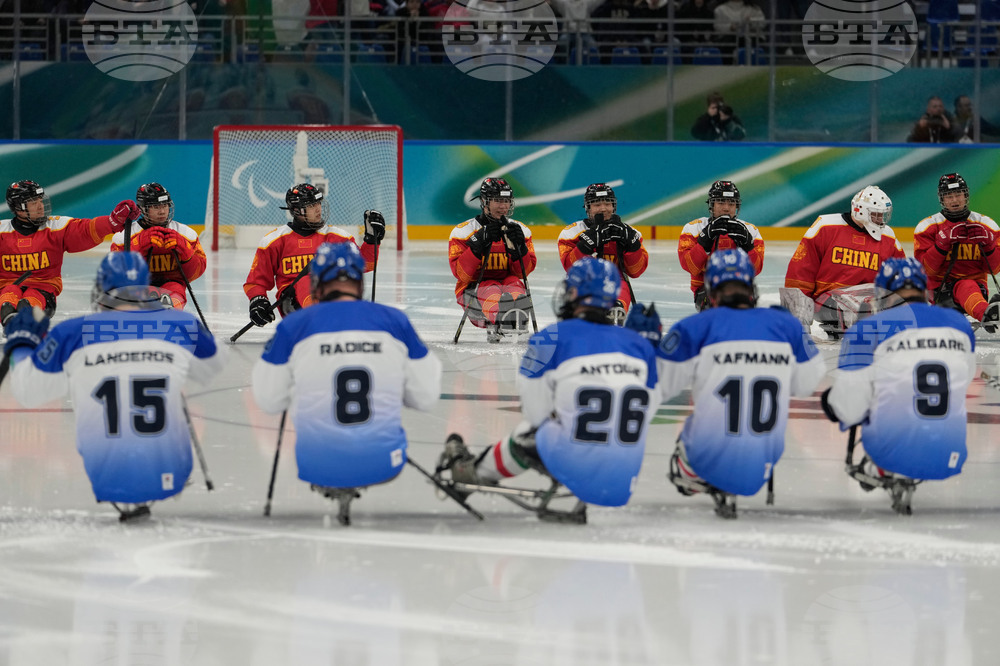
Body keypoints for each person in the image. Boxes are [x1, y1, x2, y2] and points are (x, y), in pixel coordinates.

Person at [435, 257, 660, 524]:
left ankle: (475, 473)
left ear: (575, 293)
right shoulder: (639, 344)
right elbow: (651, 406)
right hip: (624, 478)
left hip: (574, 465)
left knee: (528, 431)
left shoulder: (550, 338)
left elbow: (536, 413)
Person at [3, 252, 225, 522]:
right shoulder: (181, 324)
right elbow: (214, 365)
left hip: (105, 471)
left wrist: (23, 344)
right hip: (171, 470)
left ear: (102, 288)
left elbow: (29, 391)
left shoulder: (71, 333)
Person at [251, 242, 441, 522]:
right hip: (384, 461)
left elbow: (269, 400)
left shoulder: (295, 325)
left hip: (315, 463)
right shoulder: (395, 321)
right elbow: (425, 397)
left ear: (316, 282)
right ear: (359, 280)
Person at [655, 248, 826, 518]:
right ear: (751, 286)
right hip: (765, 460)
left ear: (711, 288)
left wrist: (648, 346)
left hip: (706, 455)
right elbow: (807, 384)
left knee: (692, 420)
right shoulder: (785, 326)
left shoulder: (695, 326)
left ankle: (704, 473)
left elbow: (660, 385)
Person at [821, 257, 975, 515]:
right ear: (923, 289)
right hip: (952, 455)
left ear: (883, 292)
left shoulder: (868, 328)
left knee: (851, 394)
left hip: (889, 453)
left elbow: (850, 408)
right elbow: (964, 380)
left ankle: (881, 465)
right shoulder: (958, 323)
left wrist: (831, 403)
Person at [0, 180, 140, 330]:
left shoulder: (56, 227)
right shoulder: (2, 231)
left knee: (27, 302)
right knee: (9, 293)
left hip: (44, 295)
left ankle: (23, 322)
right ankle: (12, 321)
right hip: (6, 291)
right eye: (33, 202)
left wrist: (112, 221)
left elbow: (86, 230)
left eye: (40, 200)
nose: (40, 206)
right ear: (18, 207)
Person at [243, 183, 383, 328]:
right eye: (311, 205)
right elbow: (256, 281)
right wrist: (258, 301)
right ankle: (326, 321)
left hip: (331, 298)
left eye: (318, 203)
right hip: (293, 305)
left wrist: (371, 240)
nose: (318, 209)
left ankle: (341, 319)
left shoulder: (337, 236)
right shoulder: (274, 241)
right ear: (296, 210)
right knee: (308, 279)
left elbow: (366, 265)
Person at [784, 185, 905, 339]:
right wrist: (797, 321)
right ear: (860, 211)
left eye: (883, 215)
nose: (881, 221)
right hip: (830, 299)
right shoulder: (825, 226)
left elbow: (901, 277)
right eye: (876, 215)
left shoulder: (888, 236)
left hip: (868, 300)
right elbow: (800, 274)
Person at [448, 177, 536, 342]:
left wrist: (521, 250)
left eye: (507, 200)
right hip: (471, 294)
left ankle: (514, 318)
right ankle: (500, 319)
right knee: (491, 287)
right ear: (484, 201)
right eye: (497, 200)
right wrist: (477, 243)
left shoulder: (520, 230)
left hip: (506, 285)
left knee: (514, 283)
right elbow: (462, 275)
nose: (503, 206)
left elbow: (522, 273)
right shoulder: (463, 232)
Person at [912, 173, 1000, 330]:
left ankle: (983, 310)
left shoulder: (987, 225)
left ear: (965, 195)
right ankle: (985, 312)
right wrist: (941, 244)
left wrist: (989, 247)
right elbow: (926, 271)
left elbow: (994, 269)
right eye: (949, 196)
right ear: (942, 199)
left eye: (958, 194)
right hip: (940, 293)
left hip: (976, 291)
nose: (954, 200)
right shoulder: (927, 226)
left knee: (966, 285)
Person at [557, 183, 648, 320]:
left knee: (621, 282)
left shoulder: (629, 232)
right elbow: (570, 268)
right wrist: (585, 245)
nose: (603, 208)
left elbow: (635, 272)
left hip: (616, 287)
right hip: (582, 286)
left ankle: (615, 310)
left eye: (607, 203)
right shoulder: (572, 232)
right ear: (588, 208)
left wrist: (632, 245)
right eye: (597, 204)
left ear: (614, 206)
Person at [109, 183, 206, 309]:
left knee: (176, 290)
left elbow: (195, 274)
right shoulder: (124, 236)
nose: (162, 211)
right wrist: (136, 248)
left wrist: (187, 254)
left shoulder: (186, 234)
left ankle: (168, 308)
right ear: (143, 209)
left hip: (172, 283)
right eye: (155, 206)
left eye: (165, 205)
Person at [678, 180, 764, 310]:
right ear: (712, 205)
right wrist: (703, 243)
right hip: (707, 293)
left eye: (731, 203)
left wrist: (749, 248)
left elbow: (755, 270)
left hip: (741, 291)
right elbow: (690, 267)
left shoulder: (751, 231)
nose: (726, 208)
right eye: (721, 202)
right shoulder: (693, 228)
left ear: (737, 206)